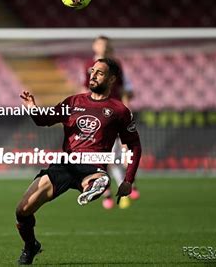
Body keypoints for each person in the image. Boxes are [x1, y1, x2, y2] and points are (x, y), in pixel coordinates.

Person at [16, 58, 142, 264]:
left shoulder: (119, 111)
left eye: (100, 72)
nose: (93, 75)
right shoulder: (73, 102)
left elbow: (135, 145)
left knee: (94, 180)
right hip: (65, 164)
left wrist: (128, 180)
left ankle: (96, 184)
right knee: (22, 210)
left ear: (112, 79)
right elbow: (44, 120)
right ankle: (31, 246)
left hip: (93, 163)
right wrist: (32, 108)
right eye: (92, 71)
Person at [83, 35, 140, 209]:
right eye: (100, 44)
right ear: (94, 46)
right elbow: (86, 89)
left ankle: (118, 187)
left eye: (105, 45)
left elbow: (124, 89)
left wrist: (127, 108)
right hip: (96, 114)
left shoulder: (115, 65)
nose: (102, 47)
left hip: (113, 112)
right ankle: (110, 191)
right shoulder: (88, 65)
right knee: (103, 156)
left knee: (114, 155)